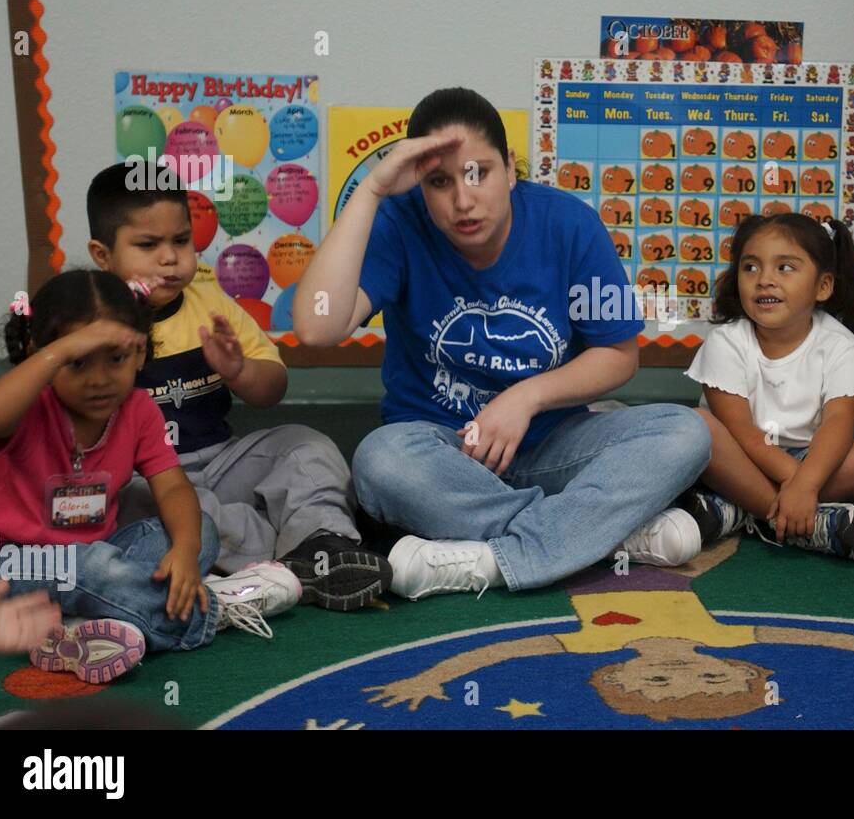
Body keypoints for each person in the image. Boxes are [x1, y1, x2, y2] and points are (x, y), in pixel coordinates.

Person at [294, 87, 711, 600]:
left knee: (685, 430)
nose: (462, 201)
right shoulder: (399, 224)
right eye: (439, 182)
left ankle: (494, 556)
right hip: (444, 455)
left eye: (479, 174)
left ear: (511, 169)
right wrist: (371, 191)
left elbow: (620, 356)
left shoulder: (569, 224)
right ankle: (598, 534)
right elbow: (318, 327)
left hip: (554, 445)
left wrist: (525, 397)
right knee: (380, 462)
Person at [86, 163, 387, 611]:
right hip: (146, 479)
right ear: (103, 255)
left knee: (306, 446)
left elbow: (272, 390)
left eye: (181, 241)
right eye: (148, 245)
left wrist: (239, 370)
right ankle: (282, 547)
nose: (170, 258)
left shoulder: (209, 304)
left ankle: (324, 546)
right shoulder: (88, 320)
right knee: (133, 503)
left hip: (222, 460)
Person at [0, 271, 291, 686]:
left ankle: (80, 629)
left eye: (116, 358)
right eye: (79, 361)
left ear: (140, 353)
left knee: (198, 533)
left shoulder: (138, 410)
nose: (100, 378)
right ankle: (208, 613)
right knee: (90, 566)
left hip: (91, 559)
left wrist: (186, 546)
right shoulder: (31, 405)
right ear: (42, 354)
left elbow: (174, 486)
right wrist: (59, 350)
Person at [680, 212, 854, 559]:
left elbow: (839, 423)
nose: (765, 280)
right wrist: (798, 484)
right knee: (697, 427)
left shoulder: (842, 346)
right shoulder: (725, 342)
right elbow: (740, 430)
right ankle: (801, 521)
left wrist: (807, 480)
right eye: (751, 268)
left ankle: (739, 512)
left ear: (823, 286)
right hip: (741, 459)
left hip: (809, 459)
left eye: (785, 268)